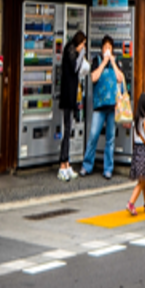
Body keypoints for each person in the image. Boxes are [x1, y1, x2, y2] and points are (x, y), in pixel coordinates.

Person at [81, 34, 125, 180]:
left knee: (110, 138)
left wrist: (112, 62)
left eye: (110, 48)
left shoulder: (116, 62)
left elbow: (120, 78)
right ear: (101, 49)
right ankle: (87, 165)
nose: (107, 50)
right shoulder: (96, 60)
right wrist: (103, 62)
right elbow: (93, 77)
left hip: (112, 106)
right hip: (99, 106)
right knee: (93, 135)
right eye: (105, 47)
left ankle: (108, 168)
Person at [58, 30, 87, 182]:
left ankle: (67, 163)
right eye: (83, 44)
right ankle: (63, 164)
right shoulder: (70, 50)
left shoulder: (71, 50)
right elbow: (75, 67)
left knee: (69, 128)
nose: (83, 47)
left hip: (71, 94)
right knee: (67, 128)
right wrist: (81, 55)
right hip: (67, 94)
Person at [127, 90, 145, 216]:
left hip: (137, 151)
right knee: (143, 181)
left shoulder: (136, 119)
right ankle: (131, 203)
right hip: (143, 152)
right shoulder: (144, 120)